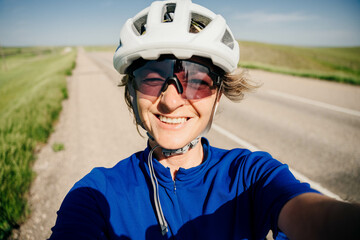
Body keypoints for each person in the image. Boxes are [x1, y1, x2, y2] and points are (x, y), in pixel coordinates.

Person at [50, 0, 360, 239]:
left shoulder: (250, 176)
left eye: (197, 81)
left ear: (219, 95)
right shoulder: (97, 194)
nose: (171, 101)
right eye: (151, 78)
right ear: (131, 92)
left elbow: (318, 217)